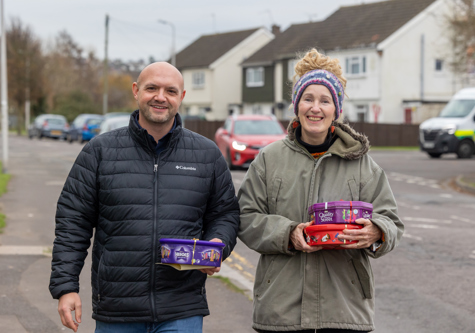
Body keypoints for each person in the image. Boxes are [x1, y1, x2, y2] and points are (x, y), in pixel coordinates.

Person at [49, 62, 240, 333]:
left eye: (170, 91)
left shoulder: (207, 155)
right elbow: (72, 223)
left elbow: (225, 213)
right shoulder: (99, 151)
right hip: (117, 309)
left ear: (182, 97)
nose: (161, 97)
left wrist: (218, 244)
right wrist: (66, 287)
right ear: (136, 91)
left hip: (181, 308)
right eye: (152, 88)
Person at [238, 49, 404, 332]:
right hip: (280, 309)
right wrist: (287, 233)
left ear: (336, 110)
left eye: (325, 101)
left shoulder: (363, 165)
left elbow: (391, 220)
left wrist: (377, 231)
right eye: (308, 99)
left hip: (344, 308)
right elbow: (244, 216)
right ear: (296, 105)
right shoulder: (268, 159)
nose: (315, 108)